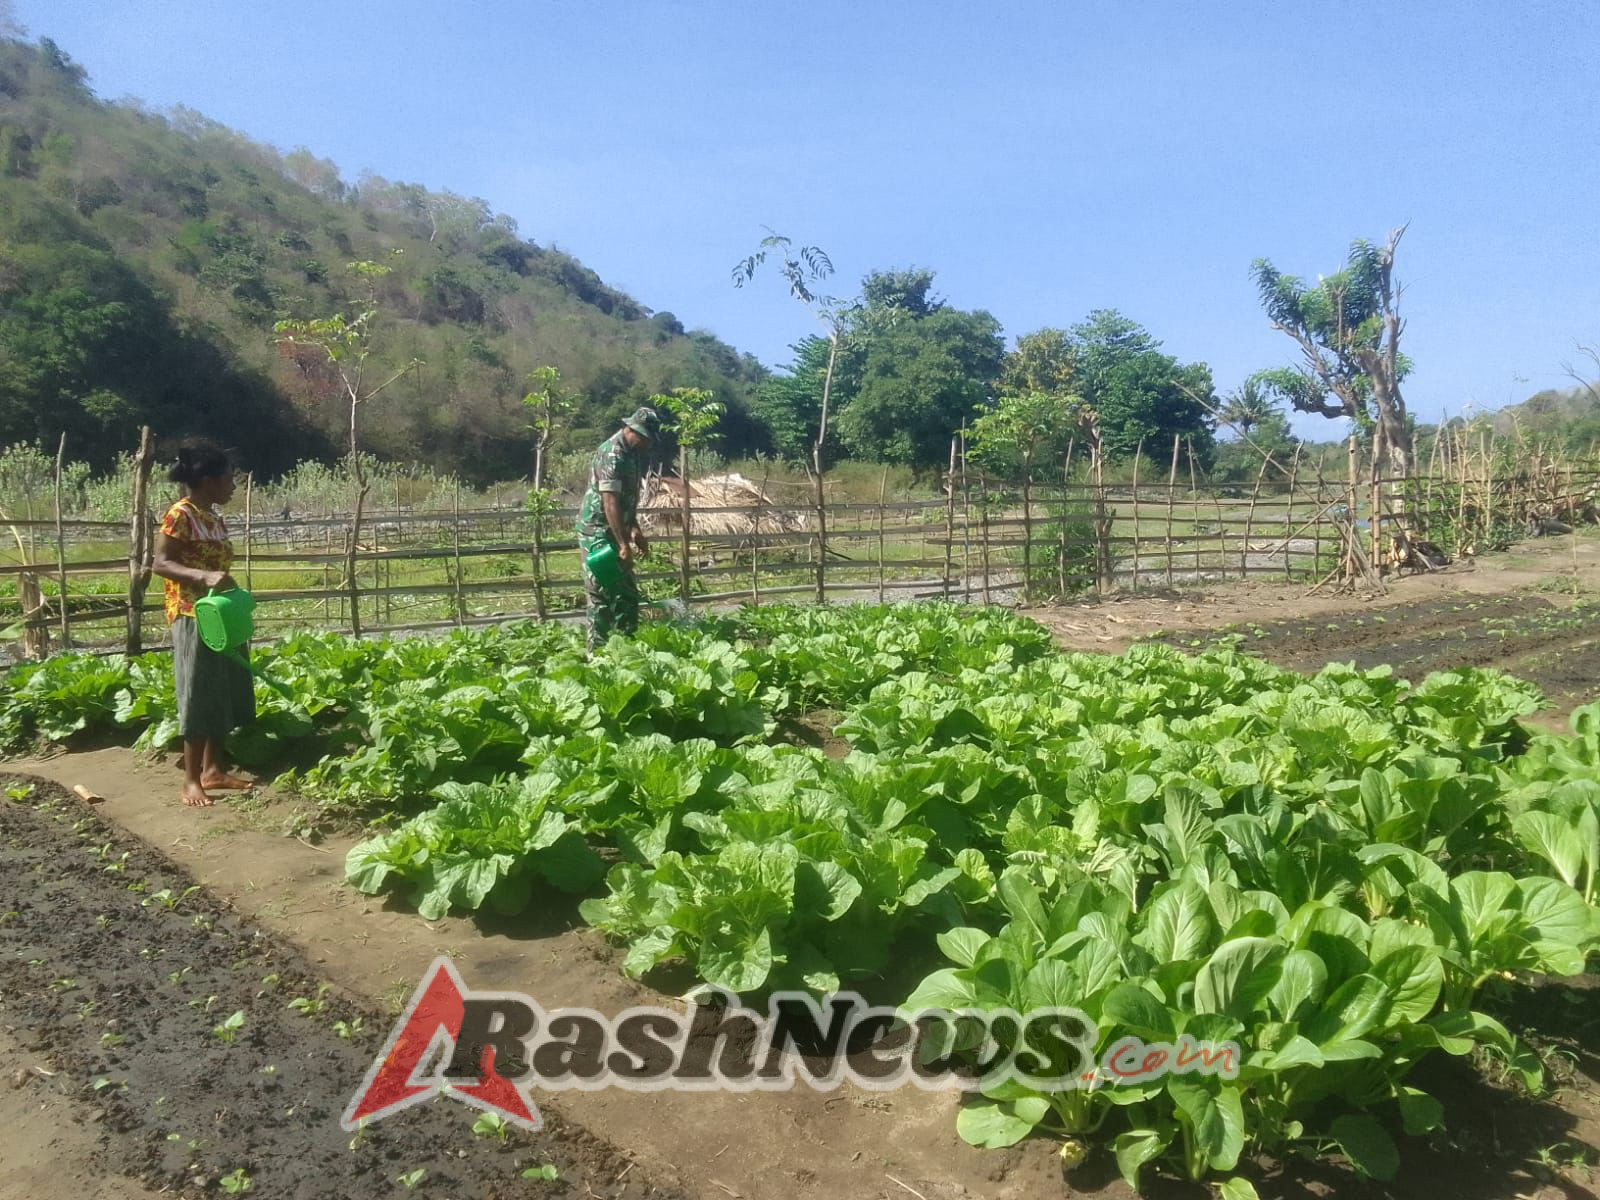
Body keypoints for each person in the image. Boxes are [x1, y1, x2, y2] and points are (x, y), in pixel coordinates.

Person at [150, 440, 256, 808]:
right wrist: (202, 575)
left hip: (221, 615)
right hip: (193, 614)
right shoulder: (181, 514)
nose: (233, 485)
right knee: (197, 691)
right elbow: (160, 563)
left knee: (222, 688)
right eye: (229, 478)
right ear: (209, 480)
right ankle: (191, 780)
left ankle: (214, 769)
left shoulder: (212, 516)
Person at [576, 407, 658, 651]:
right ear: (632, 430)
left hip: (618, 528)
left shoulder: (632, 453)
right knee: (600, 594)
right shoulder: (611, 454)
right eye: (644, 438)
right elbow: (609, 501)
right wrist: (622, 544)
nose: (646, 443)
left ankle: (626, 647)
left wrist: (634, 529)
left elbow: (627, 498)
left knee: (627, 594)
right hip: (597, 531)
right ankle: (598, 655)